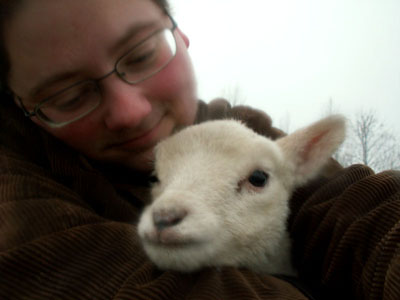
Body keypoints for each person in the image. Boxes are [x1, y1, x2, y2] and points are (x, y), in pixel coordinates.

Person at [0, 0, 399, 299]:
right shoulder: (14, 184)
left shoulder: (237, 131)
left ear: (180, 36)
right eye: (68, 96)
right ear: (23, 108)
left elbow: (349, 208)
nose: (131, 113)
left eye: (140, 54)